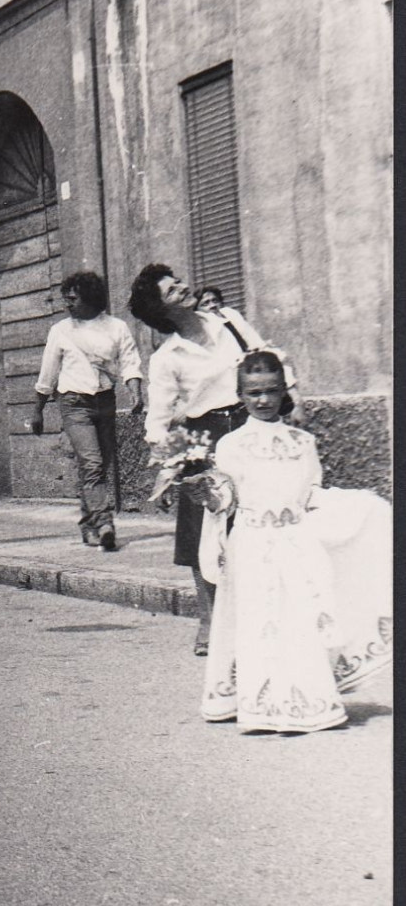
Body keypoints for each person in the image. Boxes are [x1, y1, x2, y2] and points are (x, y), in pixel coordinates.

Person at [195, 351, 392, 732]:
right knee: (257, 620)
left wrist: (360, 507)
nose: (263, 400)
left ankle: (303, 701)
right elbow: (226, 500)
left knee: (298, 621)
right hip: (251, 545)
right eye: (254, 393)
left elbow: (311, 495)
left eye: (271, 391)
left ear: (284, 391)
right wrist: (205, 495)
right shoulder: (231, 445)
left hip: (296, 544)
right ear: (240, 394)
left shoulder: (303, 442)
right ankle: (257, 702)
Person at [128, 263, 301, 656]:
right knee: (201, 531)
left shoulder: (229, 321)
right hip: (203, 438)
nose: (184, 288)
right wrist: (173, 469)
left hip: (250, 425)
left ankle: (270, 613)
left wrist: (295, 397)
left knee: (264, 518)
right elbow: (157, 423)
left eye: (178, 282)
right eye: (172, 290)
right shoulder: (166, 358)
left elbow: (267, 357)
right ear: (161, 310)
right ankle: (209, 619)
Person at [29, 270, 144, 551]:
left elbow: (130, 361)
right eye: (65, 299)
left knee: (99, 465)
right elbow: (48, 374)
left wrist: (136, 392)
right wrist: (38, 411)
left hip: (105, 401)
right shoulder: (61, 331)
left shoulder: (116, 327)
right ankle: (105, 524)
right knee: (92, 464)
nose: (67, 305)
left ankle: (87, 524)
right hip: (73, 403)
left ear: (90, 298)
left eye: (73, 299)